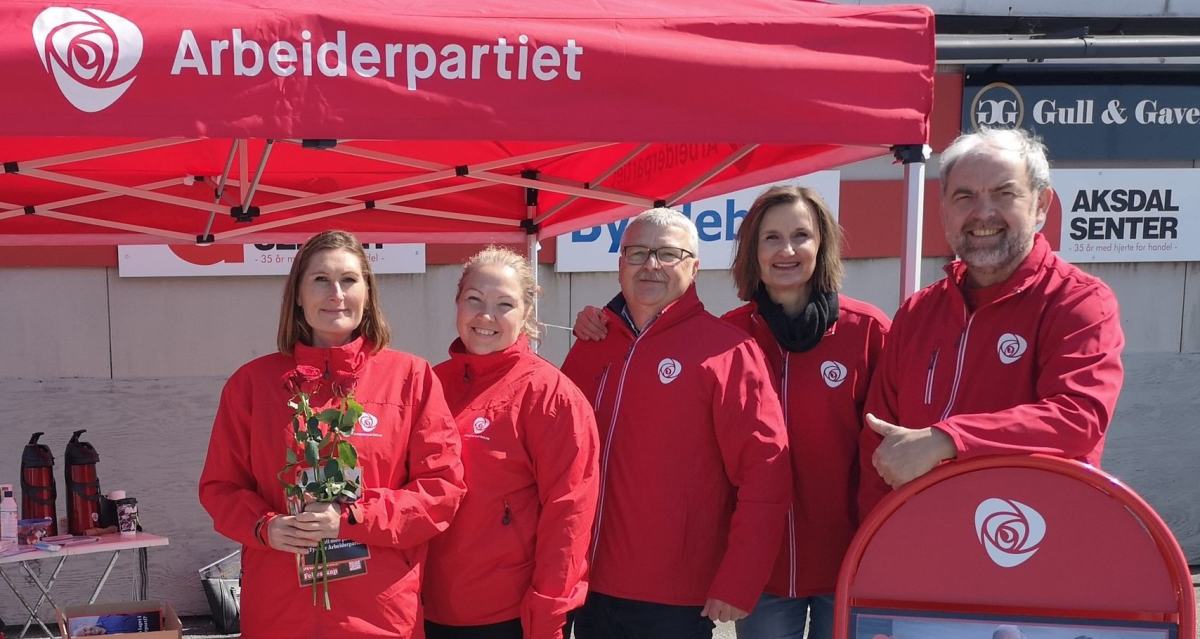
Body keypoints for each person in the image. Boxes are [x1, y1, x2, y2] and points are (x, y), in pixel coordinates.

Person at [574, 187, 889, 639]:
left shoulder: (865, 331)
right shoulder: (733, 331)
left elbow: (879, 442)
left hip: (846, 555)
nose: (786, 249)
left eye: (801, 235)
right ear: (752, 252)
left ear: (823, 246)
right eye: (771, 238)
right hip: (767, 574)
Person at [199, 230, 466, 638]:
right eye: (320, 280)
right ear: (299, 296)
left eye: (349, 280)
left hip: (379, 613)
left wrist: (352, 516)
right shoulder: (253, 384)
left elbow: (441, 491)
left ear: (368, 294)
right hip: (280, 613)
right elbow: (220, 487)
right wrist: (264, 526)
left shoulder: (411, 378)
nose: (335, 293)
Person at [858, 127, 1125, 514]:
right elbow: (877, 447)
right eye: (964, 196)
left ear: (1040, 204)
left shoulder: (1079, 302)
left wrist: (947, 440)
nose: (983, 213)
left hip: (1033, 547)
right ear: (944, 210)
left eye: (1004, 193)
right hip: (924, 542)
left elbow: (1078, 419)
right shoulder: (918, 314)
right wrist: (871, 551)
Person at [561, 208, 791, 639]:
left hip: (673, 598)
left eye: (668, 254)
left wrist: (740, 578)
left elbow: (766, 473)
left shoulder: (727, 352)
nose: (651, 265)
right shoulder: (593, 344)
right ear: (620, 263)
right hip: (587, 584)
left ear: (695, 266)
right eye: (638, 252)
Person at [424, 246, 600, 639]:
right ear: (457, 303)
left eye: (504, 304)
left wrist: (550, 611)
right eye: (475, 300)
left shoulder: (551, 395)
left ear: (526, 315)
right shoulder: (430, 384)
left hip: (507, 615)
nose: (486, 316)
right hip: (426, 605)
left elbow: (569, 513)